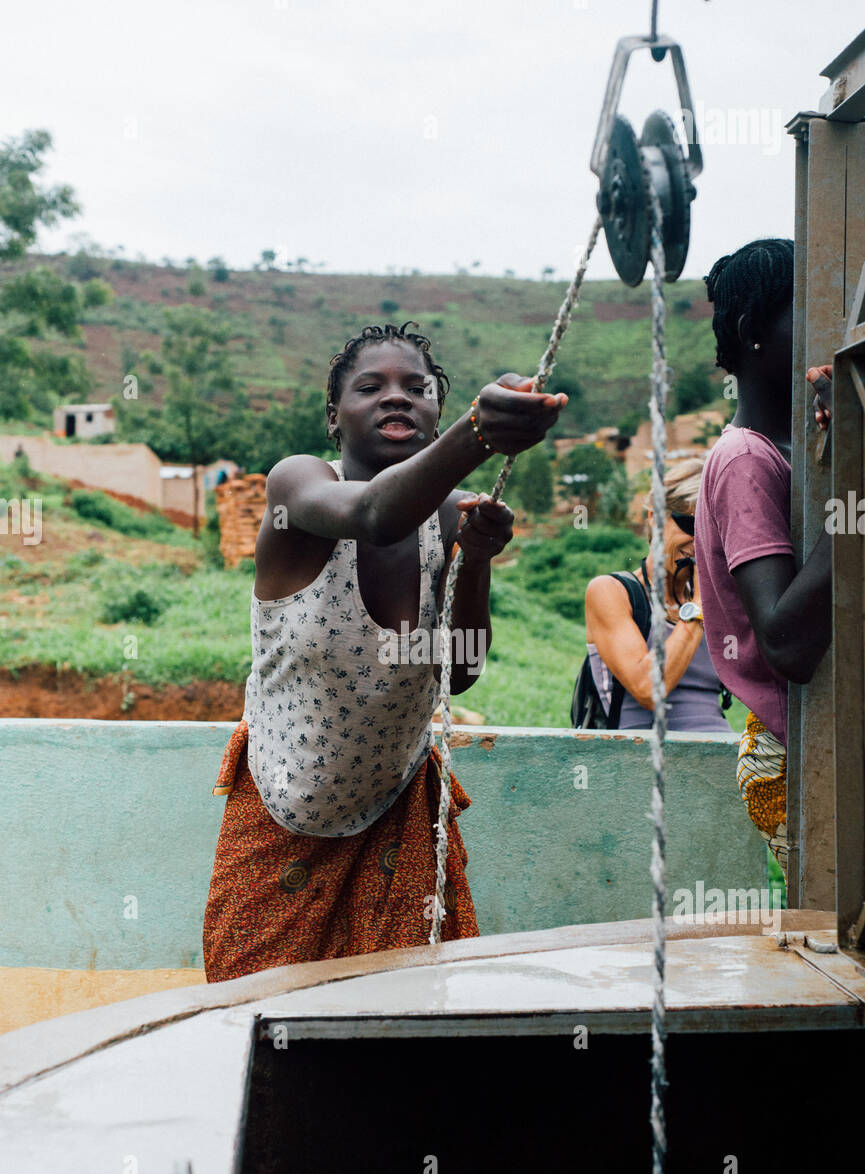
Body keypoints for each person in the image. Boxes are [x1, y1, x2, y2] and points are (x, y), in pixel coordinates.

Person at [203, 322, 567, 980]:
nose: (395, 397)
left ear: (434, 413)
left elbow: (458, 672)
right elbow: (374, 514)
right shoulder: (299, 488)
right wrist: (475, 434)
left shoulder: (454, 515)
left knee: (403, 1018)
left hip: (396, 807)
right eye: (369, 387)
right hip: (283, 807)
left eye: (415, 388)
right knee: (251, 1010)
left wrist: (475, 560)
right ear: (334, 418)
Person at [694, 239, 832, 882]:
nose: (828, 328)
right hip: (797, 751)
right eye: (807, 310)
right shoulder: (747, 459)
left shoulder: (798, 448)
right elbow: (786, 642)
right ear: (752, 330)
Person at [584, 457, 729, 732]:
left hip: (718, 757)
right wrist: (699, 607)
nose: (698, 541)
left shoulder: (717, 601)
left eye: (711, 531)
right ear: (654, 516)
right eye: (689, 524)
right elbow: (648, 688)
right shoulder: (612, 592)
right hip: (641, 763)